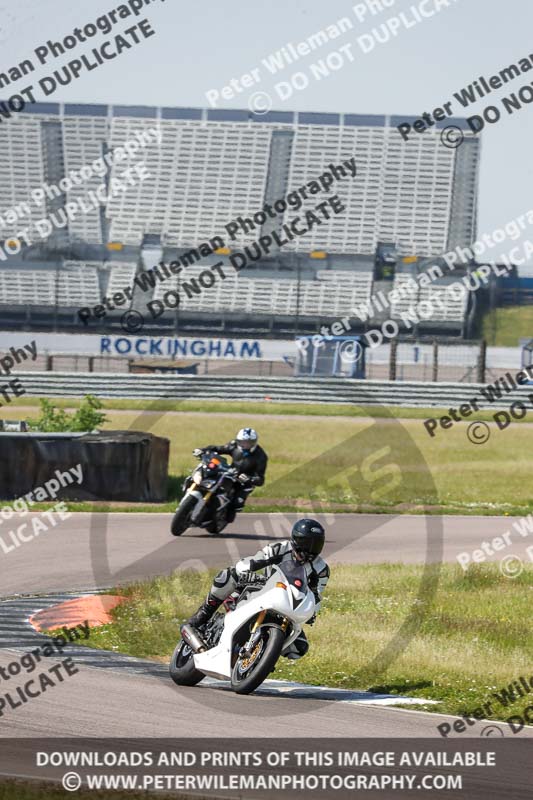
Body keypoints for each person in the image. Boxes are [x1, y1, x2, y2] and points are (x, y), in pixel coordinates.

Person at [183, 518, 329, 661]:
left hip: (290, 603)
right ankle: (202, 616)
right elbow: (259, 559)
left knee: (299, 648)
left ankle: (262, 657)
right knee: (228, 576)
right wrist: (245, 569)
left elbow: (316, 595)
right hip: (265, 586)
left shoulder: (321, 569)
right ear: (296, 540)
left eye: (315, 545)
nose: (310, 550)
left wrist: (312, 612)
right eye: (306, 543)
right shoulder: (281, 548)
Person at [193, 427, 267, 522]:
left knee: (236, 504)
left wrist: (250, 479)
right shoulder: (234, 445)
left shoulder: (261, 456)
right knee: (211, 477)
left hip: (245, 482)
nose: (245, 445)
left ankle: (223, 516)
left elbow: (260, 479)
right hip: (231, 472)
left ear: (254, 442)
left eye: (248, 442)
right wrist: (203, 450)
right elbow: (219, 449)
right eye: (242, 442)